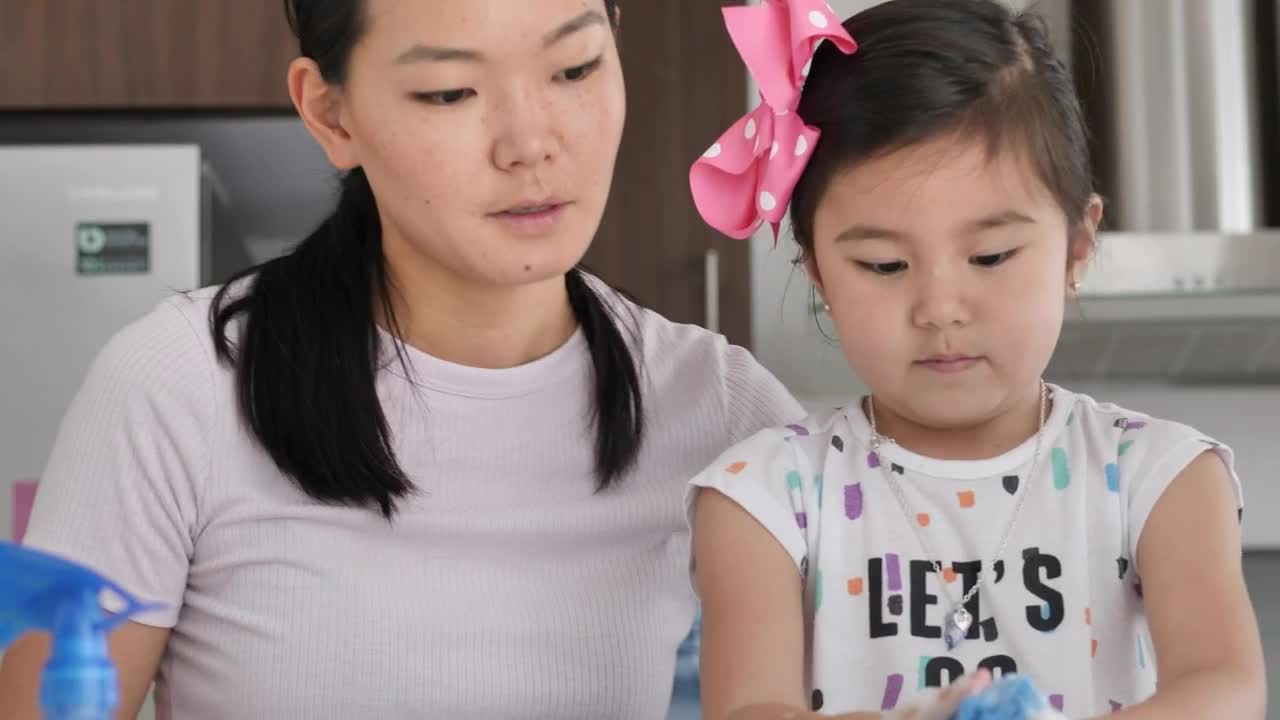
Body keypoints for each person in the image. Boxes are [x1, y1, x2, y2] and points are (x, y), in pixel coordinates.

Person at [0, 1, 804, 717]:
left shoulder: (724, 412)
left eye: (574, 68)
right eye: (451, 92)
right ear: (330, 114)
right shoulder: (178, 385)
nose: (531, 144)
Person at [685, 0, 1267, 718]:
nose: (940, 308)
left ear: (1077, 249)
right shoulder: (765, 499)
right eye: (884, 264)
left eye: (990, 256)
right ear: (818, 276)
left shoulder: (1162, 479)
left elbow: (1226, 689)